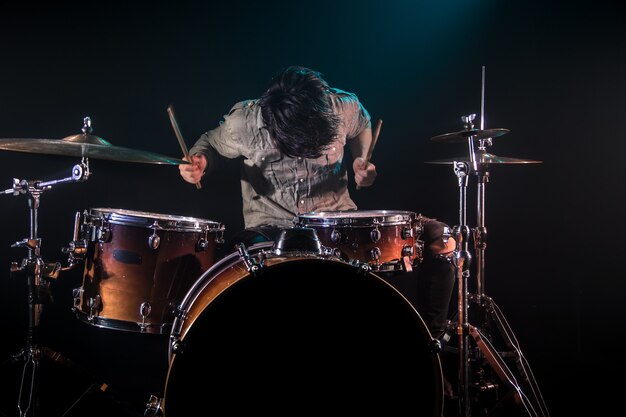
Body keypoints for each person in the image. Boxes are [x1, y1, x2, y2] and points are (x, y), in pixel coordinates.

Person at [178, 65, 456, 338]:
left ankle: (432, 349)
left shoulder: (341, 106)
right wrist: (200, 161)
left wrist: (362, 160)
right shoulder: (246, 123)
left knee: (440, 238)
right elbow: (210, 143)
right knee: (237, 273)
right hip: (270, 229)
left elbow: (362, 125)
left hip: (336, 223)